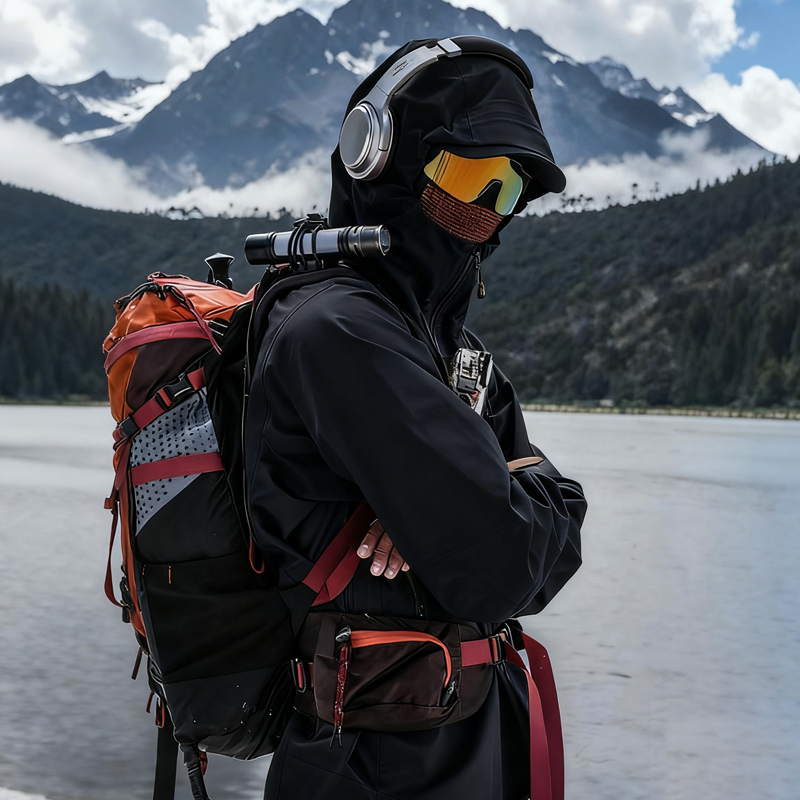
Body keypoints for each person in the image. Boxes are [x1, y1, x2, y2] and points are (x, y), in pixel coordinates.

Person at [245, 36, 587, 800]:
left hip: (465, 745)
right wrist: (483, 495)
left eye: (506, 192)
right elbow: (498, 565)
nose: (483, 215)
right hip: (374, 765)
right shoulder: (338, 331)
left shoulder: (451, 351)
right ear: (378, 155)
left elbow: (552, 538)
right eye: (467, 176)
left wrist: (461, 500)